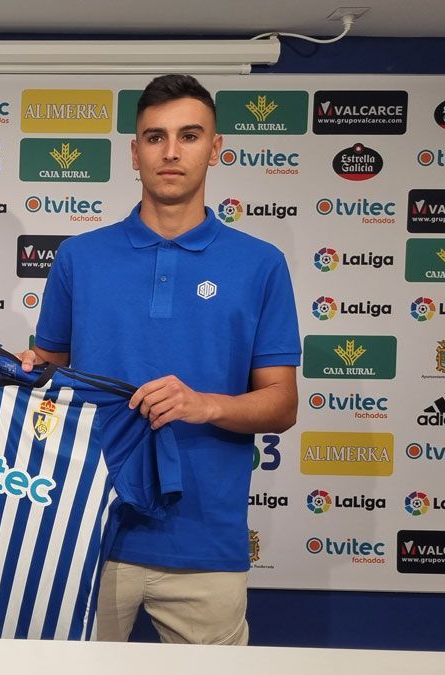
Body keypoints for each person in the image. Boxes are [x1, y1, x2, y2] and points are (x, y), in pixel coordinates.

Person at [20, 74, 300, 645]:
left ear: (216, 148)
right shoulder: (79, 257)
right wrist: (12, 375)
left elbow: (282, 403)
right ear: (134, 151)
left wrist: (204, 405)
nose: (171, 152)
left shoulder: (261, 264)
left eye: (189, 135)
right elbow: (44, 377)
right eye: (155, 137)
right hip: (85, 532)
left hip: (206, 541)